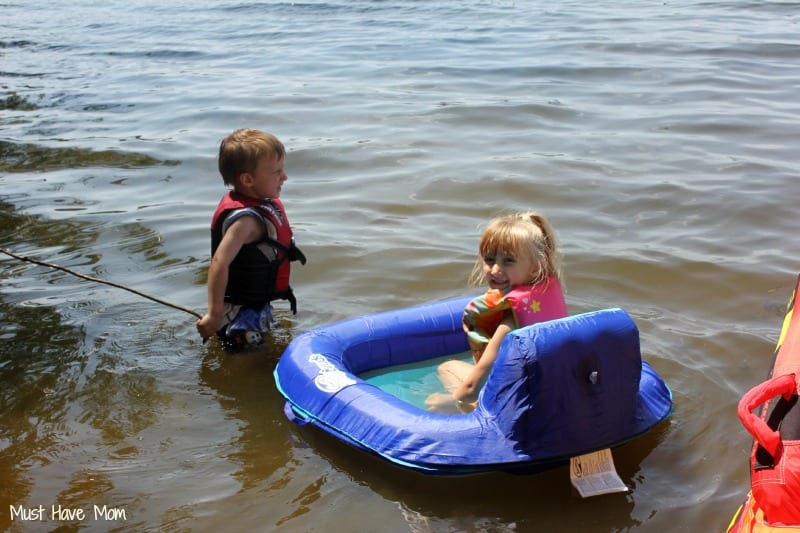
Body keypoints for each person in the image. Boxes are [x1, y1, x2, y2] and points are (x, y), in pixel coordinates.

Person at [425, 211, 567, 412]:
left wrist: (447, 402)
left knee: (447, 369)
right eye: (490, 259)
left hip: (522, 405)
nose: (495, 270)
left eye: (508, 261)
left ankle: (476, 413)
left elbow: (472, 388)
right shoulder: (543, 300)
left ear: (536, 267)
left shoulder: (510, 324)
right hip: (551, 394)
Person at [196, 128, 306, 350]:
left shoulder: (260, 206)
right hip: (238, 316)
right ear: (247, 179)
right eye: (276, 171)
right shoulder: (246, 222)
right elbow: (220, 262)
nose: (284, 177)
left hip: (254, 309)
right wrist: (214, 314)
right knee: (256, 366)